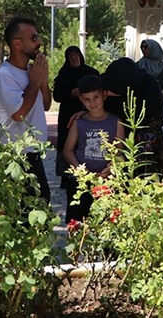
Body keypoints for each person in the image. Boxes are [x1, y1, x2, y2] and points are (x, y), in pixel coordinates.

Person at [0, 17, 52, 203]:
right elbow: (19, 114)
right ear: (17, 43)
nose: (39, 42)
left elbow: (46, 105)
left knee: (41, 202)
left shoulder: (32, 71)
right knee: (23, 212)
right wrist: (34, 82)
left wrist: (43, 80)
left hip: (33, 152)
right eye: (34, 38)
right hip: (14, 154)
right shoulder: (3, 74)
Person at [61, 75, 124, 222]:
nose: (92, 103)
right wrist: (81, 171)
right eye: (87, 99)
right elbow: (67, 150)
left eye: (96, 97)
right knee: (77, 225)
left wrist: (110, 169)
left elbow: (119, 153)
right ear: (81, 99)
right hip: (80, 183)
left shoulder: (116, 122)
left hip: (106, 183)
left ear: (104, 95)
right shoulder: (79, 122)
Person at [101, 57, 163, 181]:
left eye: (113, 89)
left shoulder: (148, 86)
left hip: (146, 143)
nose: (109, 93)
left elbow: (153, 119)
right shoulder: (115, 81)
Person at [52, 46, 99, 189]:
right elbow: (57, 96)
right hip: (68, 116)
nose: (74, 58)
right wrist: (70, 93)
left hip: (89, 114)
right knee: (67, 143)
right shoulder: (63, 74)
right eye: (70, 55)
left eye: (76, 54)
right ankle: (67, 175)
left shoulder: (90, 73)